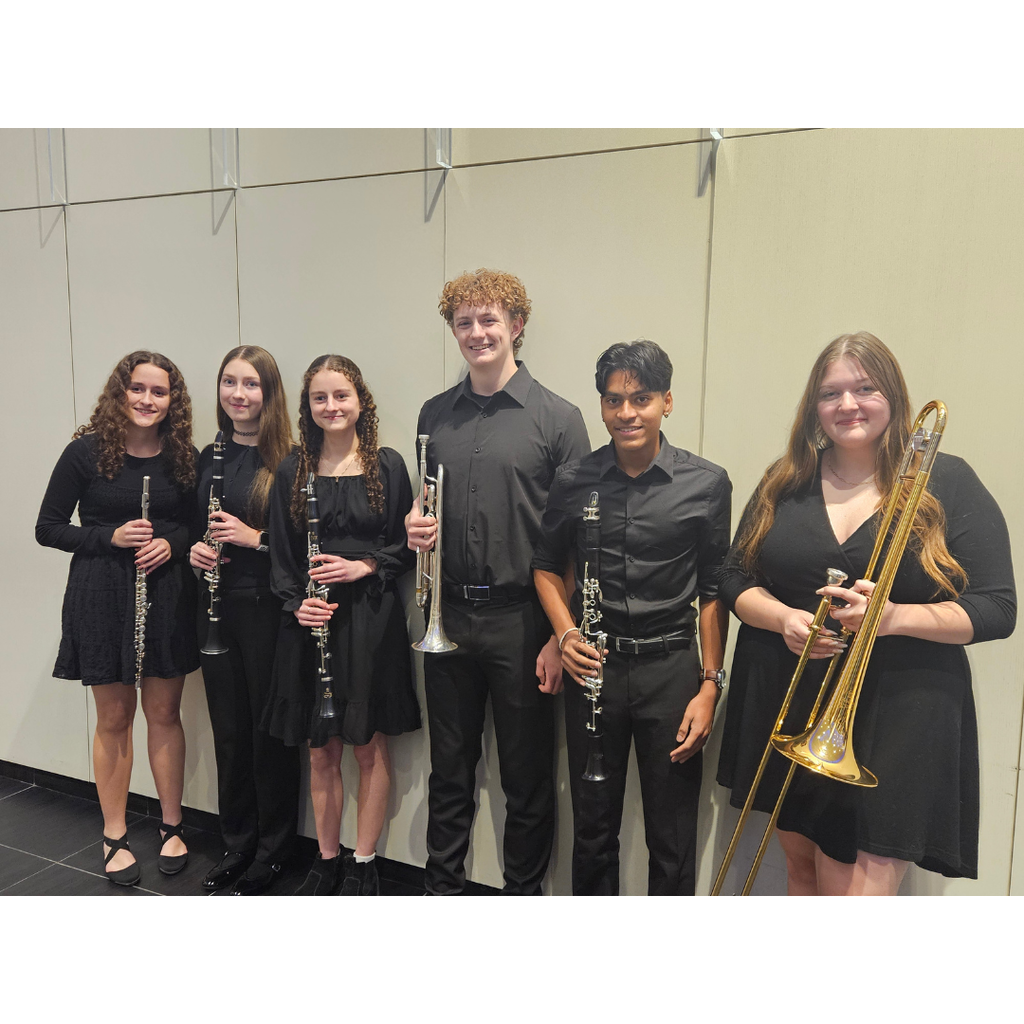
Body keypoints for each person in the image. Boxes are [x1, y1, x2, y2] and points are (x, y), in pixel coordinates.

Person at [716, 331, 1016, 895]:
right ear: (814, 406)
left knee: (858, 891)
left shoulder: (946, 481)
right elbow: (734, 577)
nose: (847, 405)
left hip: (903, 710)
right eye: (831, 393)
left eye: (864, 388)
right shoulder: (788, 480)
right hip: (795, 693)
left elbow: (998, 608)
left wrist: (891, 617)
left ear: (894, 396)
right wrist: (782, 618)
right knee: (802, 873)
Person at [405, 268, 591, 896]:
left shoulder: (560, 419)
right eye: (464, 322)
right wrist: (416, 528)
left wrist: (557, 635)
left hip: (525, 623)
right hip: (448, 617)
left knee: (527, 777)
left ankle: (521, 897)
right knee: (449, 769)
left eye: (489, 320)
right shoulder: (435, 414)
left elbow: (574, 543)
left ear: (516, 326)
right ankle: (443, 889)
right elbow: (426, 506)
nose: (477, 333)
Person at [532, 340, 731, 895]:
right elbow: (546, 566)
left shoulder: (707, 484)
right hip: (594, 666)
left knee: (672, 832)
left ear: (667, 401)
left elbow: (715, 591)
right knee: (593, 827)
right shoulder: (575, 479)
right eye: (613, 400)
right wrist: (565, 632)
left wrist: (710, 685)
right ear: (600, 406)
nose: (626, 413)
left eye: (640, 399)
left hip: (671, 670)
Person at [36, 351, 199, 886]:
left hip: (166, 593)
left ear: (173, 400)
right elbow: (49, 526)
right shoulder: (85, 453)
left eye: (160, 391)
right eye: (138, 388)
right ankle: (114, 833)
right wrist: (108, 536)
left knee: (165, 713)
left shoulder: (183, 456)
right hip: (102, 592)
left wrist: (171, 546)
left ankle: (172, 825)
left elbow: (197, 528)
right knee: (113, 718)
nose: (148, 400)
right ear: (119, 392)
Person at [264, 354, 420, 896]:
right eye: (319, 398)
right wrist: (295, 604)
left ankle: (364, 860)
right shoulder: (293, 468)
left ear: (360, 402)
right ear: (307, 407)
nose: (331, 406)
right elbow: (281, 557)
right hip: (311, 619)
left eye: (341, 396)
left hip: (370, 617)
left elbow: (405, 547)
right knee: (318, 748)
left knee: (368, 745)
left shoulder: (388, 465)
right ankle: (326, 858)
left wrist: (366, 564)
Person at [189, 346, 301, 895]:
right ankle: (238, 843)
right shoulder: (206, 457)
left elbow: (308, 545)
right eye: (229, 382)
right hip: (218, 610)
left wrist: (253, 539)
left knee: (268, 735)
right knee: (230, 733)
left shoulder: (292, 460)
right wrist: (194, 551)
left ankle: (275, 850)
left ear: (269, 392)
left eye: (251, 384)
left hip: (270, 611)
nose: (238, 394)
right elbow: (192, 528)